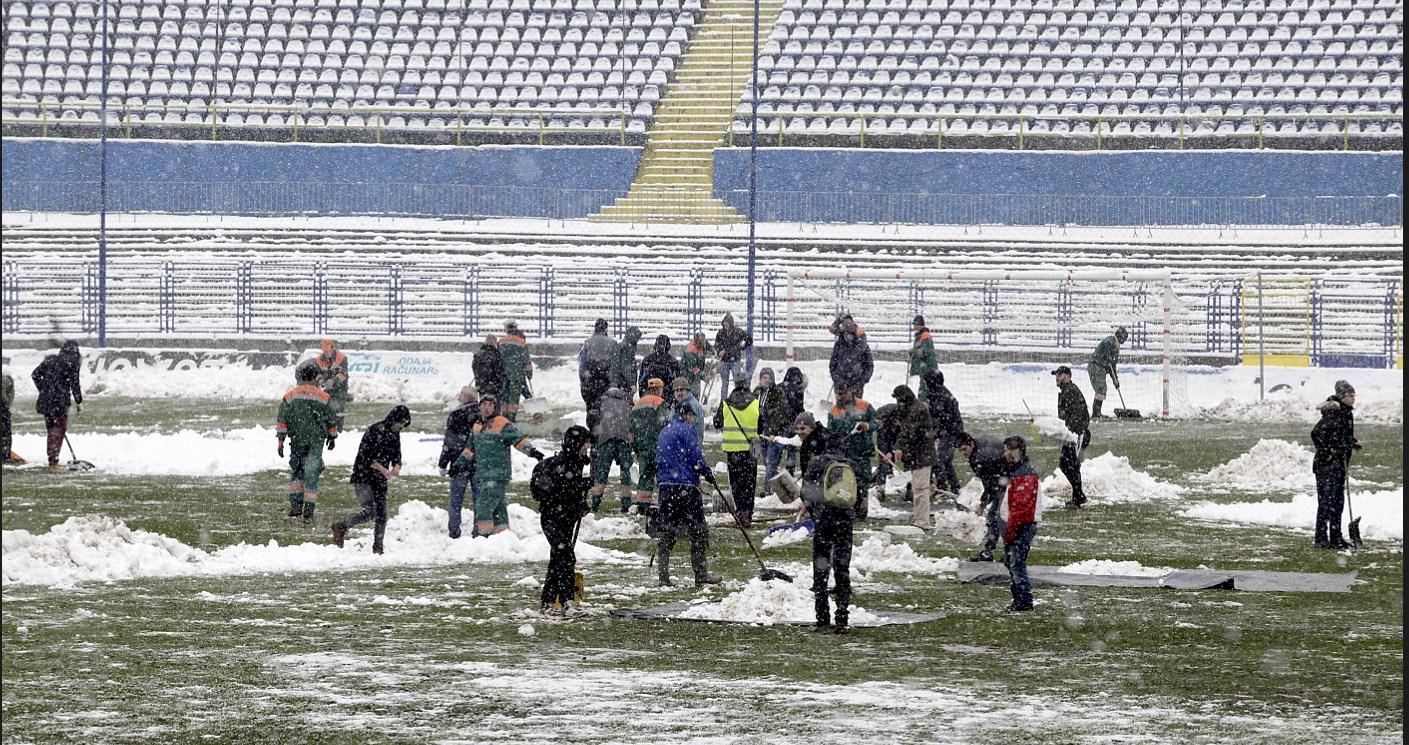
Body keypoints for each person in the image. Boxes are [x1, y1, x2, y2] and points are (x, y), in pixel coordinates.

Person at [799, 425, 864, 635]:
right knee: (842, 568)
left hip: (824, 520)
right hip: (845, 521)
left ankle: (822, 618)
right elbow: (861, 497)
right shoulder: (852, 466)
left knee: (821, 568)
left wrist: (815, 513)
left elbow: (805, 492)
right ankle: (843, 617)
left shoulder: (817, 462)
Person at [452, 395, 545, 536]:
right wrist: (458, 465)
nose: (487, 408)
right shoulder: (477, 426)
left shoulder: (502, 423)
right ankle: (502, 535)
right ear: (479, 407)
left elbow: (518, 439)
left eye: (490, 405)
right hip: (483, 474)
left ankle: (483, 535)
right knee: (498, 507)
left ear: (495, 407)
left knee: (484, 505)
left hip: (497, 473)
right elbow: (470, 450)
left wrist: (532, 451)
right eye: (484, 404)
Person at [655, 400, 722, 587]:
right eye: (691, 416)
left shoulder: (664, 431)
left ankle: (663, 576)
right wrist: (708, 474)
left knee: (667, 531)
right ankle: (701, 574)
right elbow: (695, 458)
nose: (692, 420)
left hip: (665, 487)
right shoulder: (686, 430)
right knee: (699, 531)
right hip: (685, 488)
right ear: (687, 415)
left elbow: (659, 458)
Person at [529, 425, 594, 614]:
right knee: (565, 557)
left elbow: (570, 494)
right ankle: (566, 600)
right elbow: (564, 489)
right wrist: (584, 484)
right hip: (553, 518)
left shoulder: (576, 462)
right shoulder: (566, 464)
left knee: (558, 558)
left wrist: (580, 505)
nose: (586, 449)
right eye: (585, 445)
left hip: (565, 518)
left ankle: (548, 601)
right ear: (577, 444)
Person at [331, 406, 410, 555]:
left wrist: (397, 466)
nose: (402, 426)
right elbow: (366, 457)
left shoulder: (395, 433)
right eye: (401, 422)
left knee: (382, 513)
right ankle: (342, 526)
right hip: (364, 476)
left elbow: (396, 453)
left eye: (405, 424)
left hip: (380, 480)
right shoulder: (375, 431)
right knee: (371, 511)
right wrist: (383, 469)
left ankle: (378, 547)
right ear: (395, 420)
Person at [276, 362, 340, 523]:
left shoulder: (290, 396)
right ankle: (309, 511)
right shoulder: (323, 397)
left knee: (297, 471)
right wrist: (332, 437)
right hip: (316, 441)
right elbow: (332, 419)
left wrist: (281, 440)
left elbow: (282, 419)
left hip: (297, 440)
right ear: (314, 377)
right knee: (311, 473)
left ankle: (296, 506)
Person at [1311, 380, 1361, 550]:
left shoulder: (1346, 413)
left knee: (1337, 503)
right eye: (1350, 395)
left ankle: (1336, 538)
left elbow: (1340, 435)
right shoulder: (1335, 413)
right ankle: (1321, 539)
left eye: (1354, 395)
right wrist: (1330, 452)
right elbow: (1317, 433)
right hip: (1327, 466)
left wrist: (1351, 443)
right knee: (1326, 502)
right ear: (1342, 397)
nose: (1354, 398)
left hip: (1339, 465)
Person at [999, 436, 1042, 613]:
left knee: (1017, 563)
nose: (1005, 453)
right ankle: (1019, 599)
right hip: (1016, 524)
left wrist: (1011, 528)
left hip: (1022, 525)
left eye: (1007, 450)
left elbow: (1021, 506)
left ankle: (1024, 602)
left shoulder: (1024, 474)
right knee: (1011, 562)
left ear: (1016, 451)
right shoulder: (1016, 470)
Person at [713, 375, 759, 527]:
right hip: (751, 449)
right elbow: (762, 425)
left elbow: (717, 422)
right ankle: (748, 513)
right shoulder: (755, 402)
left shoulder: (726, 403)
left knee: (737, 483)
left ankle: (740, 512)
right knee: (750, 483)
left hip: (733, 450)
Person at [31, 340, 82, 472]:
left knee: (52, 430)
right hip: (59, 402)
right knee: (58, 430)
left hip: (46, 402)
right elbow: (75, 384)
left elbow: (35, 374)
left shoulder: (51, 360)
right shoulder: (73, 363)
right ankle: (53, 462)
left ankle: (52, 459)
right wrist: (79, 402)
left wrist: (44, 389)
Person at [957, 432, 1008, 562]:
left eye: (964, 449)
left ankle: (1002, 553)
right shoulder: (978, 449)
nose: (963, 453)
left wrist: (982, 505)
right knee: (997, 518)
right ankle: (994, 552)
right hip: (1005, 478)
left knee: (997, 518)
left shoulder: (982, 458)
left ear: (972, 444)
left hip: (1009, 481)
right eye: (960, 450)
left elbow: (990, 483)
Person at [891, 385, 936, 530]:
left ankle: (922, 522)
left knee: (921, 489)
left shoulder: (919, 410)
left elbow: (910, 432)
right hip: (916, 455)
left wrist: (900, 448)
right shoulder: (908, 409)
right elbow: (904, 431)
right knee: (918, 489)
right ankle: (919, 518)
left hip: (923, 454)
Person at [438, 385, 480, 539]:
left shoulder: (456, 415)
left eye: (460, 395)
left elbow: (449, 442)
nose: (458, 397)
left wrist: (443, 463)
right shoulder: (483, 415)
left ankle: (454, 531)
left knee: (456, 501)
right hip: (480, 463)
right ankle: (479, 530)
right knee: (479, 501)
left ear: (466, 398)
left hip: (458, 463)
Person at [826, 387, 875, 508]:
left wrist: (867, 426)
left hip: (862, 452)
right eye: (837, 394)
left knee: (863, 483)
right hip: (844, 454)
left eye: (842, 394)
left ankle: (862, 509)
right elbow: (830, 434)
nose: (839, 397)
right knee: (845, 482)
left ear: (850, 391)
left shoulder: (864, 406)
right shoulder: (833, 411)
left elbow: (878, 422)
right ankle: (847, 509)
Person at [628, 378, 671, 513]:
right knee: (662, 476)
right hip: (658, 447)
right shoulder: (660, 403)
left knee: (645, 476)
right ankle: (665, 503)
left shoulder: (638, 404)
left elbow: (632, 429)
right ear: (659, 389)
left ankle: (642, 505)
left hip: (643, 449)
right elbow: (666, 424)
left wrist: (637, 447)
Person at [590, 387, 635, 513]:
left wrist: (596, 435)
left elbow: (592, 419)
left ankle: (595, 503)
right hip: (623, 439)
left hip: (606, 439)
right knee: (625, 473)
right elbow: (633, 420)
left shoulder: (601, 400)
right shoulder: (627, 400)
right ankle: (626, 504)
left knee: (602, 473)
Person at [1052, 366, 1092, 509]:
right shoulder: (1066, 391)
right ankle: (1078, 496)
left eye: (1060, 374)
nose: (1057, 377)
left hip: (1077, 434)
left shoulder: (1070, 391)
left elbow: (1081, 414)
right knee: (1067, 464)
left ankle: (1078, 497)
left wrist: (1073, 431)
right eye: (1056, 374)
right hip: (1071, 435)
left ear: (1068, 376)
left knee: (1070, 465)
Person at [923, 370, 964, 499]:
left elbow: (950, 419)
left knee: (941, 459)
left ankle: (943, 486)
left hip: (951, 431)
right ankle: (954, 487)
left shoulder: (945, 397)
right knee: (945, 461)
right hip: (943, 430)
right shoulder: (934, 394)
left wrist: (939, 430)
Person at [754, 368, 792, 488]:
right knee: (768, 464)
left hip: (776, 432)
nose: (766, 380)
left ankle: (767, 490)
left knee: (771, 463)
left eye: (769, 378)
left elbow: (780, 415)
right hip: (763, 433)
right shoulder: (756, 392)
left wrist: (773, 432)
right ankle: (780, 488)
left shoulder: (778, 393)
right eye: (764, 378)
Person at [578, 319, 618, 433]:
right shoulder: (612, 343)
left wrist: (584, 380)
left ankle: (593, 434)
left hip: (590, 384)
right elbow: (615, 366)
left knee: (592, 410)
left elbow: (582, 366)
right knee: (606, 412)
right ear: (606, 329)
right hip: (606, 384)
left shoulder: (587, 343)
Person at [1088, 326, 1127, 419]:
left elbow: (1112, 367)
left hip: (1100, 368)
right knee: (1101, 389)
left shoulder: (1116, 348)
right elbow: (1105, 345)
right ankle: (1096, 413)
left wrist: (1115, 380)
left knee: (1102, 389)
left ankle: (1097, 412)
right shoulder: (1111, 341)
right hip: (1096, 366)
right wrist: (1106, 355)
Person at [829, 319, 873, 399]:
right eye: (845, 334)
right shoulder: (838, 345)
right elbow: (832, 366)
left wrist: (860, 383)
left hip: (857, 386)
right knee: (841, 409)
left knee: (856, 409)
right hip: (841, 386)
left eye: (849, 334)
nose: (847, 337)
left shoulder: (863, 347)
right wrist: (839, 381)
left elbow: (869, 366)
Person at [314, 339, 350, 433]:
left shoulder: (341, 358)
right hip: (326, 387)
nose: (326, 353)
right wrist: (321, 380)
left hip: (340, 387)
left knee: (338, 407)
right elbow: (317, 373)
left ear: (332, 349)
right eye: (324, 351)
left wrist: (334, 381)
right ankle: (328, 428)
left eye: (327, 351)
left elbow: (343, 373)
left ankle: (339, 430)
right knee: (326, 406)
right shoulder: (319, 360)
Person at [499, 322, 533, 421]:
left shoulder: (501, 341)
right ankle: (511, 418)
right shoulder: (521, 342)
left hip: (504, 375)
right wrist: (529, 374)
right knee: (514, 398)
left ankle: (503, 417)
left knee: (505, 396)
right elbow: (526, 361)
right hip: (517, 375)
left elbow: (497, 358)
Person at [714, 313, 753, 396]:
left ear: (731, 323)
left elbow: (749, 340)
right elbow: (716, 344)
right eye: (724, 323)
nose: (725, 324)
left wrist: (742, 346)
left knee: (738, 382)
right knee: (725, 384)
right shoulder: (720, 333)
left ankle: (738, 398)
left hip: (735, 360)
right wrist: (720, 350)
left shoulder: (738, 331)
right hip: (724, 361)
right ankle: (723, 402)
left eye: (727, 323)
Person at [779, 366, 808, 474]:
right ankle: (789, 472)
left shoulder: (779, 387)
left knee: (779, 448)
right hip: (793, 423)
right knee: (792, 450)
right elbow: (799, 408)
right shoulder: (798, 390)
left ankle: (776, 474)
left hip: (780, 424)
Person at [909, 315, 938, 398]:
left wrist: (920, 351)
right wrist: (913, 351)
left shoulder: (925, 335)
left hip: (928, 367)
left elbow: (926, 350)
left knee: (925, 388)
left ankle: (924, 404)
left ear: (921, 325)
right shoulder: (919, 336)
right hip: (924, 368)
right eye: (914, 324)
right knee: (926, 387)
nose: (915, 326)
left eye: (916, 324)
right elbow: (918, 348)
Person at [671, 376, 705, 443]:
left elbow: (691, 429)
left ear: (687, 391)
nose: (679, 393)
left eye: (681, 390)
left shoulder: (691, 405)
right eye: (677, 391)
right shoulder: (677, 404)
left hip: (690, 446)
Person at [473, 334, 507, 400]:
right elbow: (499, 371)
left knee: (484, 404)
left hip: (481, 386)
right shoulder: (497, 355)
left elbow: (474, 368)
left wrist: (479, 380)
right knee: (494, 406)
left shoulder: (478, 354)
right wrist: (500, 383)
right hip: (494, 387)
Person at [613, 326, 643, 397]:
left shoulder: (622, 346)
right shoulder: (627, 348)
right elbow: (626, 368)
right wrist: (631, 384)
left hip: (619, 382)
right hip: (624, 384)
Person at [681, 332, 712, 398]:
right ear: (696, 341)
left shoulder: (703, 342)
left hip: (696, 374)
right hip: (688, 374)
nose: (703, 344)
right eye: (701, 343)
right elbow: (694, 369)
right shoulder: (691, 351)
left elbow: (710, 347)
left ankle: (696, 403)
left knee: (696, 391)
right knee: (692, 394)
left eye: (704, 341)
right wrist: (705, 377)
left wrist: (716, 352)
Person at [2, 357, 15, 464]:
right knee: (5, 433)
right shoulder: (7, 378)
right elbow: (10, 396)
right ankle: (5, 455)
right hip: (3, 408)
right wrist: (7, 405)